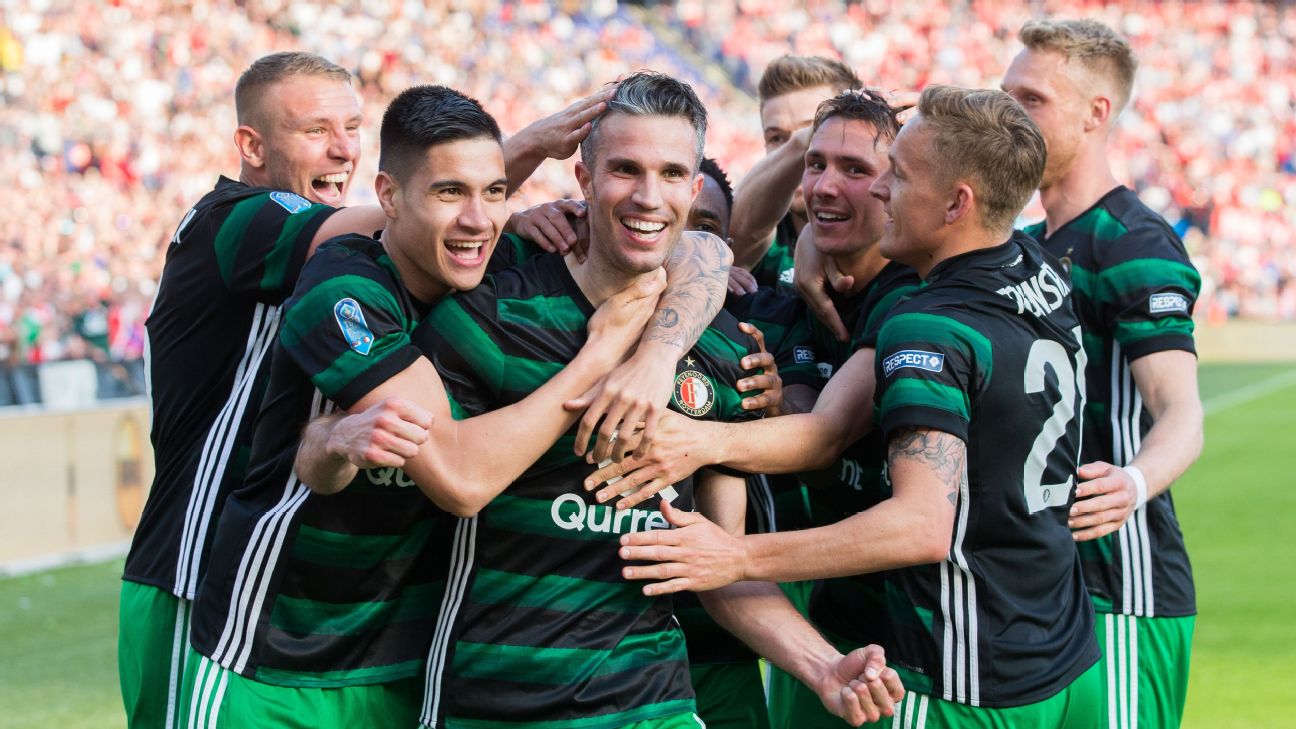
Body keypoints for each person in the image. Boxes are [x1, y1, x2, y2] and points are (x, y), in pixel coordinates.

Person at [118, 49, 679, 728]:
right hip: (209, 579)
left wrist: (664, 343)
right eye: (314, 130)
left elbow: (698, 241)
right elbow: (376, 228)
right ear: (251, 145)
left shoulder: (469, 256)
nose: (341, 149)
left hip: (394, 648)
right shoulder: (245, 225)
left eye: (351, 127)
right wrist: (519, 161)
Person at [413, 71, 903, 729]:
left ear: (694, 187)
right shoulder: (488, 315)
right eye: (625, 170)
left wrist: (821, 665)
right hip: (495, 702)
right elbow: (453, 481)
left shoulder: (725, 350)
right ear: (583, 181)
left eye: (672, 174)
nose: (649, 196)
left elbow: (718, 562)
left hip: (652, 702)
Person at [616, 86, 1104, 727]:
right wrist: (817, 241)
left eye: (892, 176)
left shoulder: (927, 326)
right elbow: (825, 431)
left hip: (964, 671)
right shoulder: (1036, 268)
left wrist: (734, 554)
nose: (877, 192)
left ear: (958, 203)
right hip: (1067, 651)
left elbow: (919, 524)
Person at [1002, 19, 1203, 728]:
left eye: (1031, 99)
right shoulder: (1021, 246)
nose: (1008, 117)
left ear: (1096, 114)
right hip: (1038, 589)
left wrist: (1134, 481)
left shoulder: (1134, 242)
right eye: (1005, 96)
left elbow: (1180, 409)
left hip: (1121, 586)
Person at [728, 55, 861, 290]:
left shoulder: (891, 232)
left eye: (814, 128)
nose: (801, 156)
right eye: (777, 138)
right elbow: (735, 233)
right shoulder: (766, 234)